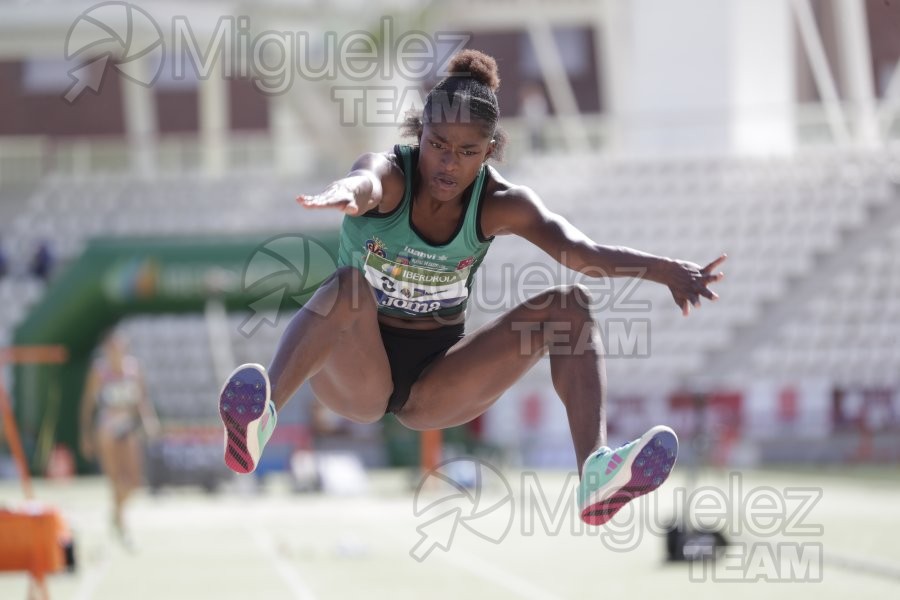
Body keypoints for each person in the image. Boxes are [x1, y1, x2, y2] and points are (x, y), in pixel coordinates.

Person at [218, 50, 725, 526]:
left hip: (436, 383)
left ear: (490, 151)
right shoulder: (392, 174)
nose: (447, 164)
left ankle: (594, 472)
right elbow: (366, 182)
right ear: (421, 133)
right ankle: (262, 419)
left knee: (570, 307)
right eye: (437, 145)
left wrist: (666, 271)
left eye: (466, 152)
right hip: (358, 377)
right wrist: (346, 191)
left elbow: (583, 255)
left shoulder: (501, 202)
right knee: (350, 285)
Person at [80, 334, 159, 546]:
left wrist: (149, 421)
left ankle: (116, 512)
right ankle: (121, 524)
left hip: (128, 425)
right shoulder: (99, 371)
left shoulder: (133, 369)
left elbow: (142, 399)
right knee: (115, 479)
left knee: (134, 480)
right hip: (107, 427)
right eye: (111, 347)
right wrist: (86, 434)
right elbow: (88, 403)